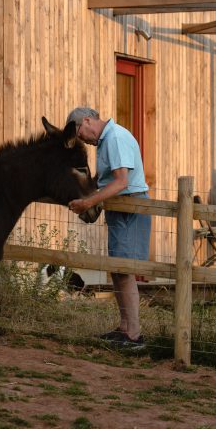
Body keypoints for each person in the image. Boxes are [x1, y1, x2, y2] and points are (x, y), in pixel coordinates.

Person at [66, 107, 150, 350]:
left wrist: (89, 202)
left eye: (79, 132)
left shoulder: (114, 137)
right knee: (117, 270)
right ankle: (124, 328)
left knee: (125, 270)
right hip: (119, 209)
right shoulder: (106, 141)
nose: (82, 138)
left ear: (87, 120)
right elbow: (108, 180)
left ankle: (134, 335)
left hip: (130, 207)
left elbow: (122, 180)